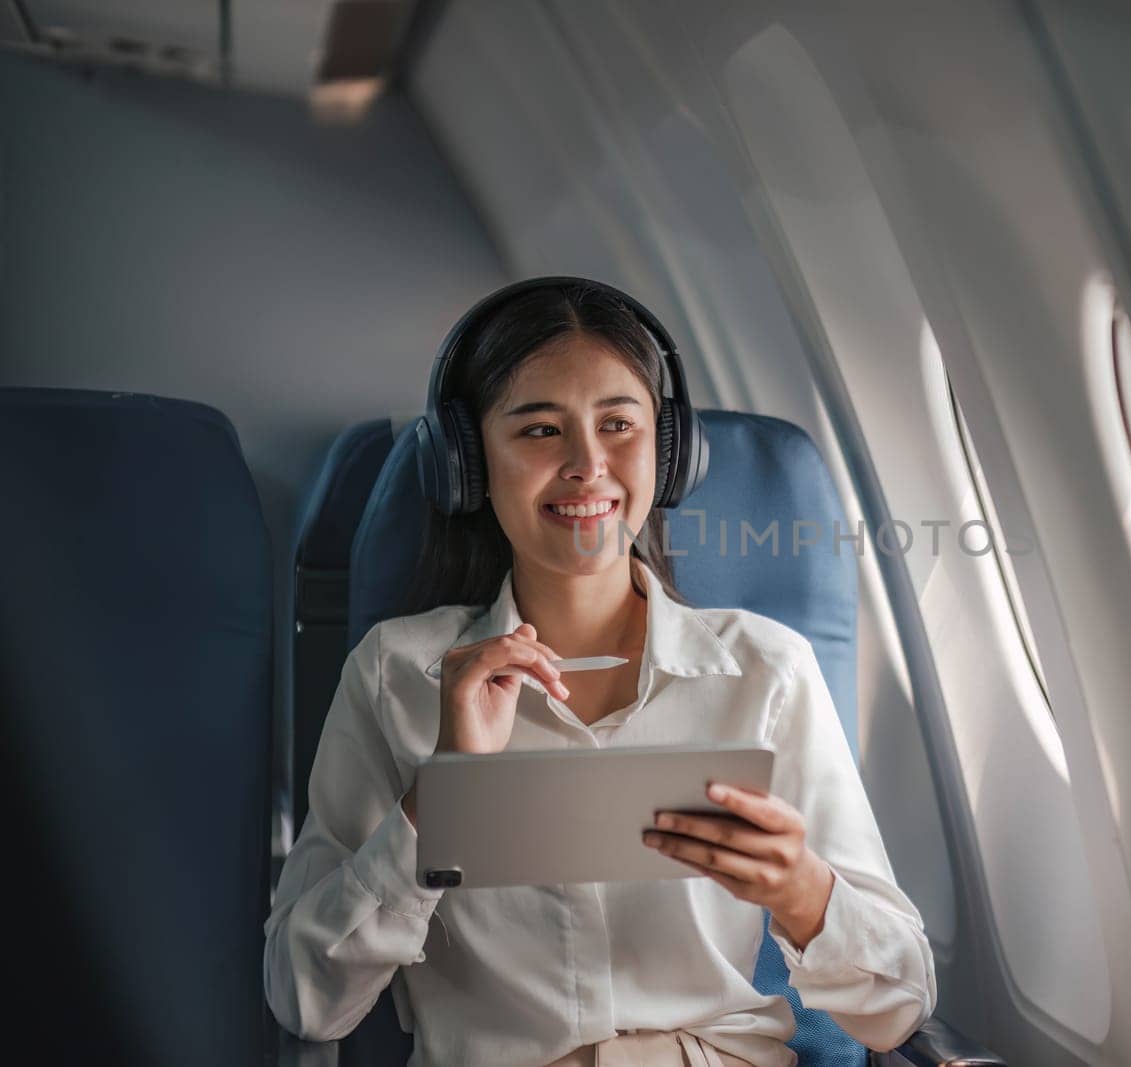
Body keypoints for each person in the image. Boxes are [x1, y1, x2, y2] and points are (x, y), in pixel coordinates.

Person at [263, 278, 936, 1066]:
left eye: (619, 424)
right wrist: (437, 801)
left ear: (667, 452)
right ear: (469, 464)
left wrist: (803, 893)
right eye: (541, 430)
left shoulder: (766, 669)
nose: (588, 464)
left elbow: (901, 1004)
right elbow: (305, 998)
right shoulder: (394, 674)